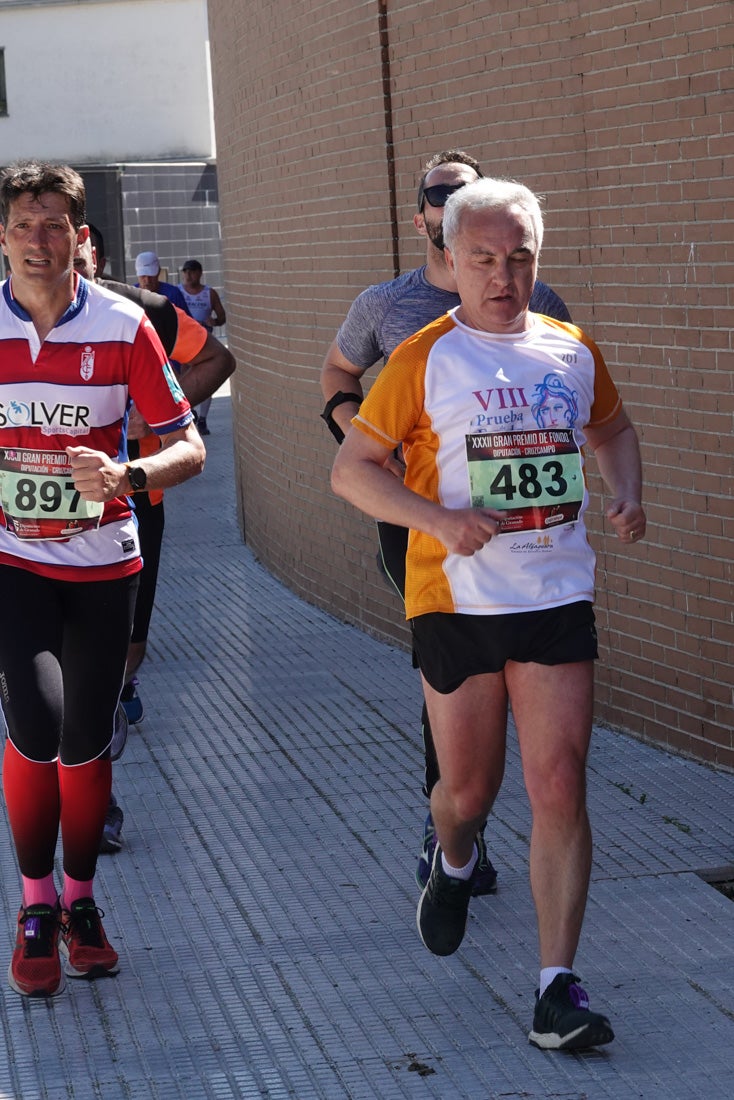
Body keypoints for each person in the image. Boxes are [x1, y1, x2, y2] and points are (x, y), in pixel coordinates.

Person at [331, 176, 646, 1050]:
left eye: (519, 259)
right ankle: (455, 856)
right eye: (484, 260)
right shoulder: (421, 358)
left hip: (555, 593)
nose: (503, 276)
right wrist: (439, 520)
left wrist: (626, 491)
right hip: (456, 601)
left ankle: (556, 987)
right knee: (469, 792)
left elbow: (613, 430)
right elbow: (352, 470)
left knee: (560, 784)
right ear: (452, 262)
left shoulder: (570, 348)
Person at [320, 151, 572, 898]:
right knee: (451, 665)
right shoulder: (387, 305)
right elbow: (337, 374)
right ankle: (454, 827)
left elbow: (562, 385)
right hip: (418, 519)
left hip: (518, 529)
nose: (448, 202)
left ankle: (470, 818)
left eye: (462, 189)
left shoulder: (537, 294)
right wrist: (366, 442)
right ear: (423, 215)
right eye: (437, 192)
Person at [0, 161, 205, 997]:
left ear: (81, 238)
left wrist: (130, 477)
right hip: (14, 562)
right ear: (2, 237)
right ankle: (35, 906)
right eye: (25, 225)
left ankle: (82, 902)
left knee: (87, 739)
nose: (41, 242)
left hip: (104, 563)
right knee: (36, 727)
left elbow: (187, 445)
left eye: (57, 226)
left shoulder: (125, 325)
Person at [75, 227, 235, 852]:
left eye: (74, 246)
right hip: (34, 527)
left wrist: (157, 414)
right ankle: (98, 796)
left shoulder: (145, 312)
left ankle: (112, 695)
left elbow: (218, 359)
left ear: (95, 254)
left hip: (136, 500)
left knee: (127, 646)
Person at [178, 259, 227, 435]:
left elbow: (222, 317)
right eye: (185, 271)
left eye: (192, 271)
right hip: (184, 344)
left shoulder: (209, 293)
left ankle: (203, 419)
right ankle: (187, 412)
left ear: (200, 273)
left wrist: (213, 321)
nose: (188, 275)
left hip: (204, 344)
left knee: (206, 378)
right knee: (183, 378)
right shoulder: (179, 292)